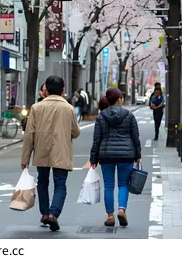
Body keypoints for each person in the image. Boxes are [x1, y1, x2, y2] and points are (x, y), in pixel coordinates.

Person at [21, 76, 81, 232]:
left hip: (41, 149)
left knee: (42, 181)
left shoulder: (36, 107)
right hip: (61, 150)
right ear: (63, 90)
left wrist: (25, 158)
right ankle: (54, 213)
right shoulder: (68, 108)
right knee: (60, 184)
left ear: (46, 89)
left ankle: (45, 213)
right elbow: (75, 132)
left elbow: (29, 134)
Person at [90, 87, 141, 228]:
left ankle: (110, 216)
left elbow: (96, 140)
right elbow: (135, 138)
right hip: (126, 155)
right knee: (123, 184)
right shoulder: (129, 116)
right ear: (119, 100)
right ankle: (121, 210)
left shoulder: (101, 117)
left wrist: (93, 158)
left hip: (106, 155)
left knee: (109, 185)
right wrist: (138, 155)